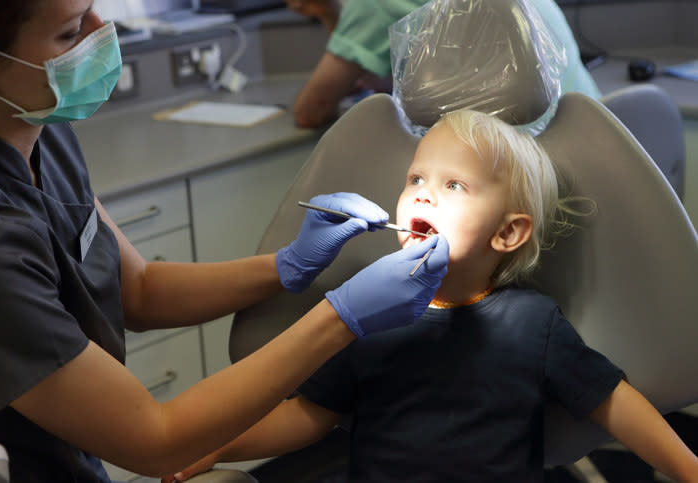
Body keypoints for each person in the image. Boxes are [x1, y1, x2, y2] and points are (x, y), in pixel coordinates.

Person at [0, 1, 451, 481]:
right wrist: (341, 316)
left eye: (95, 10)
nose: (104, 33)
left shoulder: (41, 132)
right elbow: (154, 440)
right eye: (72, 31)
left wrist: (287, 266)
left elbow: (139, 289)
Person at [163, 109, 698, 482]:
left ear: (508, 234)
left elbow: (613, 403)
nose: (421, 191)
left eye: (453, 185)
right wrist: (217, 444)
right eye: (416, 176)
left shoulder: (533, 324)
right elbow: (310, 414)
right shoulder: (367, 316)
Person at [288, 0, 601, 128]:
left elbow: (311, 110)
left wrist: (323, 8)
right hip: (596, 130)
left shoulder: (370, 4)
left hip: (527, 164)